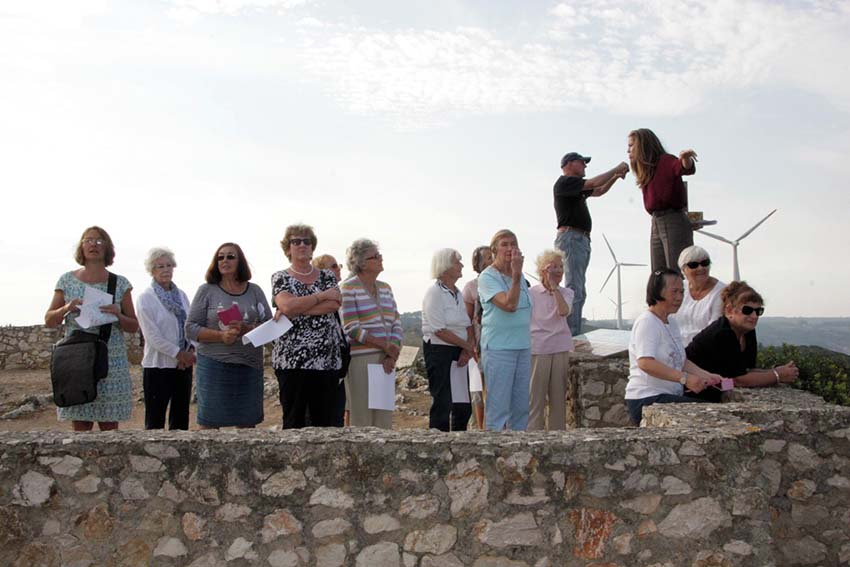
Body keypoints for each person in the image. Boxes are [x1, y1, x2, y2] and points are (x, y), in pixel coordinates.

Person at [44, 226, 138, 431]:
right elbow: (49, 320)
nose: (93, 245)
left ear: (107, 248)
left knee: (110, 424)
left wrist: (118, 314)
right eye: (88, 240)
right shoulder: (66, 280)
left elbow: (133, 325)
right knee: (81, 422)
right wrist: (67, 308)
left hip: (110, 359)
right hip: (77, 357)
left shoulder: (120, 283)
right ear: (81, 247)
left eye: (99, 241)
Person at [185, 243, 271, 429]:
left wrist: (246, 328)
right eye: (220, 257)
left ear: (240, 261)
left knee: (248, 425)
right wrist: (220, 336)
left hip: (249, 366)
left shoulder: (255, 291)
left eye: (230, 256)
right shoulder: (206, 290)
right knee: (210, 425)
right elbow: (191, 328)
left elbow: (269, 325)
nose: (225, 260)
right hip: (214, 366)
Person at [624, 269, 723, 425]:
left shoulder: (672, 323)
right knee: (708, 416)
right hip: (647, 397)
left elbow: (680, 359)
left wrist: (706, 375)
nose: (679, 297)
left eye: (682, 292)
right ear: (657, 292)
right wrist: (684, 379)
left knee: (713, 407)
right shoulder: (647, 322)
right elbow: (645, 362)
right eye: (674, 292)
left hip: (666, 394)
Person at [271, 225, 344, 429]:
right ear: (288, 249)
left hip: (326, 360)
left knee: (324, 424)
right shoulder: (280, 277)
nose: (302, 245)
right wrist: (320, 297)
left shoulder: (327, 276)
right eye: (296, 241)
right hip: (292, 361)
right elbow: (286, 305)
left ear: (313, 248)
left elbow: (334, 304)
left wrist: (296, 307)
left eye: (306, 241)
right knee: (294, 422)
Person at [554, 152, 629, 335]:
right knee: (575, 289)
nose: (585, 167)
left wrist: (614, 178)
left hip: (579, 239)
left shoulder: (574, 189)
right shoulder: (565, 183)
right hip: (572, 238)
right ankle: (572, 335)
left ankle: (574, 332)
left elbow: (599, 190)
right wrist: (616, 169)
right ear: (569, 164)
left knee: (579, 289)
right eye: (582, 163)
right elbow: (593, 183)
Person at [686, 281, 798, 400]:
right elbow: (739, 379)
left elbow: (747, 370)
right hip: (691, 391)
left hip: (714, 388)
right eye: (747, 310)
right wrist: (777, 375)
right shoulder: (722, 333)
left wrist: (777, 371)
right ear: (729, 310)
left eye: (758, 311)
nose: (754, 316)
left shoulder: (747, 331)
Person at [341, 239, 403, 429]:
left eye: (379, 255)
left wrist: (391, 354)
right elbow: (351, 327)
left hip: (386, 359)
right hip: (361, 360)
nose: (380, 259)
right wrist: (385, 346)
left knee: (384, 419)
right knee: (362, 419)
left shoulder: (385, 288)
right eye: (375, 256)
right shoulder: (348, 288)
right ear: (361, 263)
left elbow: (396, 322)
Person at [478, 229, 532, 431]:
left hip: (523, 346)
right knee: (498, 406)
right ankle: (493, 452)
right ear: (494, 250)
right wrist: (516, 275)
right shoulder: (487, 278)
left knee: (520, 406)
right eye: (505, 244)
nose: (510, 248)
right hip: (499, 348)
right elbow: (509, 305)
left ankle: (519, 452)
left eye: (514, 244)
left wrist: (517, 274)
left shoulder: (520, 276)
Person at [135, 247, 195, 430]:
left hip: (182, 366)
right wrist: (178, 353)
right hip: (158, 365)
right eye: (160, 266)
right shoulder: (146, 298)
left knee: (180, 417)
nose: (166, 270)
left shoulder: (182, 296)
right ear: (152, 270)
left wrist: (190, 351)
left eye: (169, 265)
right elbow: (152, 336)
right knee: (155, 418)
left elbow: (191, 324)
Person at [628, 128, 698, 272]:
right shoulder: (647, 171)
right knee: (659, 275)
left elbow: (683, 167)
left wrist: (685, 159)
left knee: (677, 270)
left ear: (642, 146)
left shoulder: (665, 161)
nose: (628, 151)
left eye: (631, 146)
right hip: (656, 221)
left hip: (672, 219)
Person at [422, 248, 475, 431]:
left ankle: (459, 444)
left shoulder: (458, 293)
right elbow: (439, 330)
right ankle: (438, 446)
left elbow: (467, 324)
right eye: (456, 262)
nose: (461, 265)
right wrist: (467, 346)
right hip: (439, 351)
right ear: (445, 267)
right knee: (443, 402)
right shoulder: (434, 293)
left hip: (458, 350)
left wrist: (466, 351)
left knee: (463, 405)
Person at [528, 249, 574, 430]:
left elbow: (563, 311)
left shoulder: (567, 293)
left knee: (558, 400)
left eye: (561, 267)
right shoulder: (530, 293)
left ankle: (558, 440)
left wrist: (554, 289)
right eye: (553, 267)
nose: (558, 271)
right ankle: (532, 439)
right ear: (542, 270)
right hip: (538, 349)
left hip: (560, 348)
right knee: (535, 400)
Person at [312, 252, 348, 426]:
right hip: (318, 366)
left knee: (336, 418)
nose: (339, 269)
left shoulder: (340, 293)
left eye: (338, 265)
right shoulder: (314, 296)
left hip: (337, 365)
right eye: (334, 266)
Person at [462, 245, 493, 429]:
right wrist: (471, 344)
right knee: (478, 392)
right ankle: (481, 429)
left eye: (492, 256)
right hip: (478, 346)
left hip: (496, 344)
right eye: (488, 258)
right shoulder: (471, 287)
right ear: (479, 264)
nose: (491, 260)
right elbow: (467, 320)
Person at [671, 245, 726, 347]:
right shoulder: (678, 289)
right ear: (683, 269)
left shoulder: (722, 292)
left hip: (705, 351)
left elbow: (714, 330)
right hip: (675, 350)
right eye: (693, 265)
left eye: (705, 263)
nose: (701, 268)